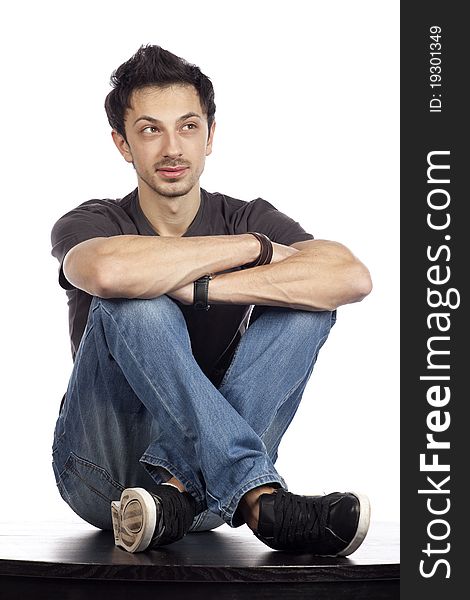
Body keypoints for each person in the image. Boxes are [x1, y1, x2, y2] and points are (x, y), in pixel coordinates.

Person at [50, 44, 373, 555]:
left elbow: (349, 277)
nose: (172, 147)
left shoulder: (246, 214)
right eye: (151, 130)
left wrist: (203, 287)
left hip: (194, 501)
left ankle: (178, 487)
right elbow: (108, 271)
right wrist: (253, 250)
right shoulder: (93, 222)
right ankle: (261, 497)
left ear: (210, 135)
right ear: (122, 143)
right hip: (103, 477)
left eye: (188, 126)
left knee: (308, 306)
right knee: (135, 301)